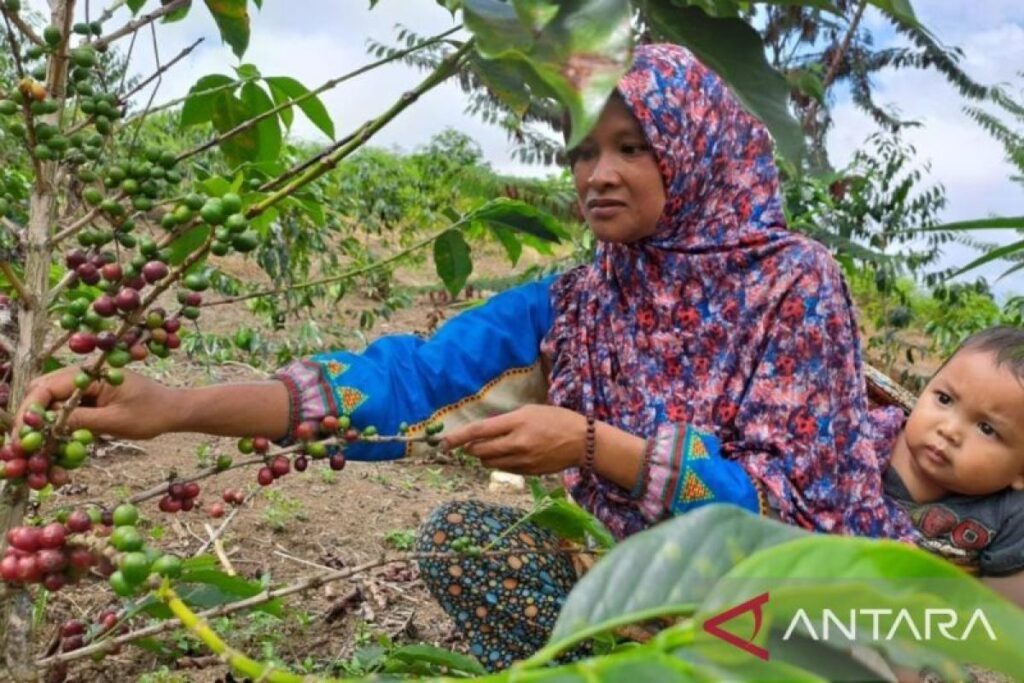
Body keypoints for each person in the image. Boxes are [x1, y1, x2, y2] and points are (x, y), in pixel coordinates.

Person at [18, 44, 914, 669]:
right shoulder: (579, 300)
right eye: (584, 152)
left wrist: (595, 446)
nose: (597, 174)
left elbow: (794, 512)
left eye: (631, 148)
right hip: (651, 589)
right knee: (467, 541)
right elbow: (407, 380)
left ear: (696, 151)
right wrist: (171, 403)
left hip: (793, 598)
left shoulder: (793, 282)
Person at [874, 326, 1024, 580]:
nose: (949, 430)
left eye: (986, 429)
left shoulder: (1012, 516)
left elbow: (1003, 612)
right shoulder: (872, 440)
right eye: (944, 399)